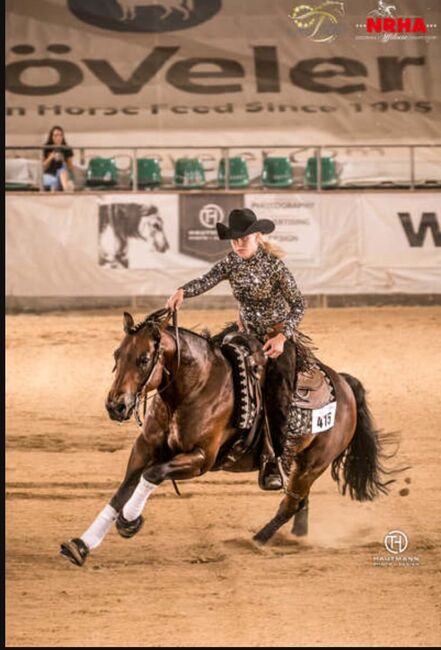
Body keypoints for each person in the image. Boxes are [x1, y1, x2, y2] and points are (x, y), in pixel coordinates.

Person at [166, 208, 306, 489]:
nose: (238, 244)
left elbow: (299, 305)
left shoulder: (274, 266)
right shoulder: (231, 262)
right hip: (244, 333)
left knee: (277, 390)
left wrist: (282, 338)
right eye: (234, 240)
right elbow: (206, 280)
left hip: (274, 338)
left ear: (257, 236)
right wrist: (183, 290)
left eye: (243, 238)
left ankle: (274, 459)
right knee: (212, 366)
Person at [42, 125, 75, 191]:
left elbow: (71, 168)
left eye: (60, 135)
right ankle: (66, 188)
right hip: (50, 174)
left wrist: (64, 160)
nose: (58, 138)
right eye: (56, 135)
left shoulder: (66, 148)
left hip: (63, 174)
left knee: (62, 167)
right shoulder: (47, 147)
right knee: (55, 181)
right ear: (51, 137)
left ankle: (65, 187)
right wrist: (50, 158)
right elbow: (43, 167)